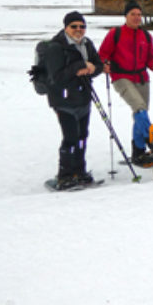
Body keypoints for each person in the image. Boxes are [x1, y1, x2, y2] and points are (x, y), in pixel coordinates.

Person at [98, 0, 153, 167]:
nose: (137, 17)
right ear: (126, 16)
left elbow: (150, 58)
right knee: (140, 107)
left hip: (142, 78)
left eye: (139, 14)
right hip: (121, 77)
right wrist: (104, 64)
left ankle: (138, 153)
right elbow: (102, 54)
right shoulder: (115, 33)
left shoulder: (146, 36)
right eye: (133, 14)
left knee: (139, 113)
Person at [45, 11, 104, 189]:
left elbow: (99, 65)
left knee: (82, 136)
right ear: (66, 28)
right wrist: (80, 67)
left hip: (83, 97)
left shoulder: (87, 44)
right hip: (63, 100)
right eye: (74, 26)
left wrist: (93, 68)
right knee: (70, 137)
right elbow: (56, 77)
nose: (79, 30)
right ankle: (65, 176)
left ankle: (80, 172)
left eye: (82, 26)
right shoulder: (56, 47)